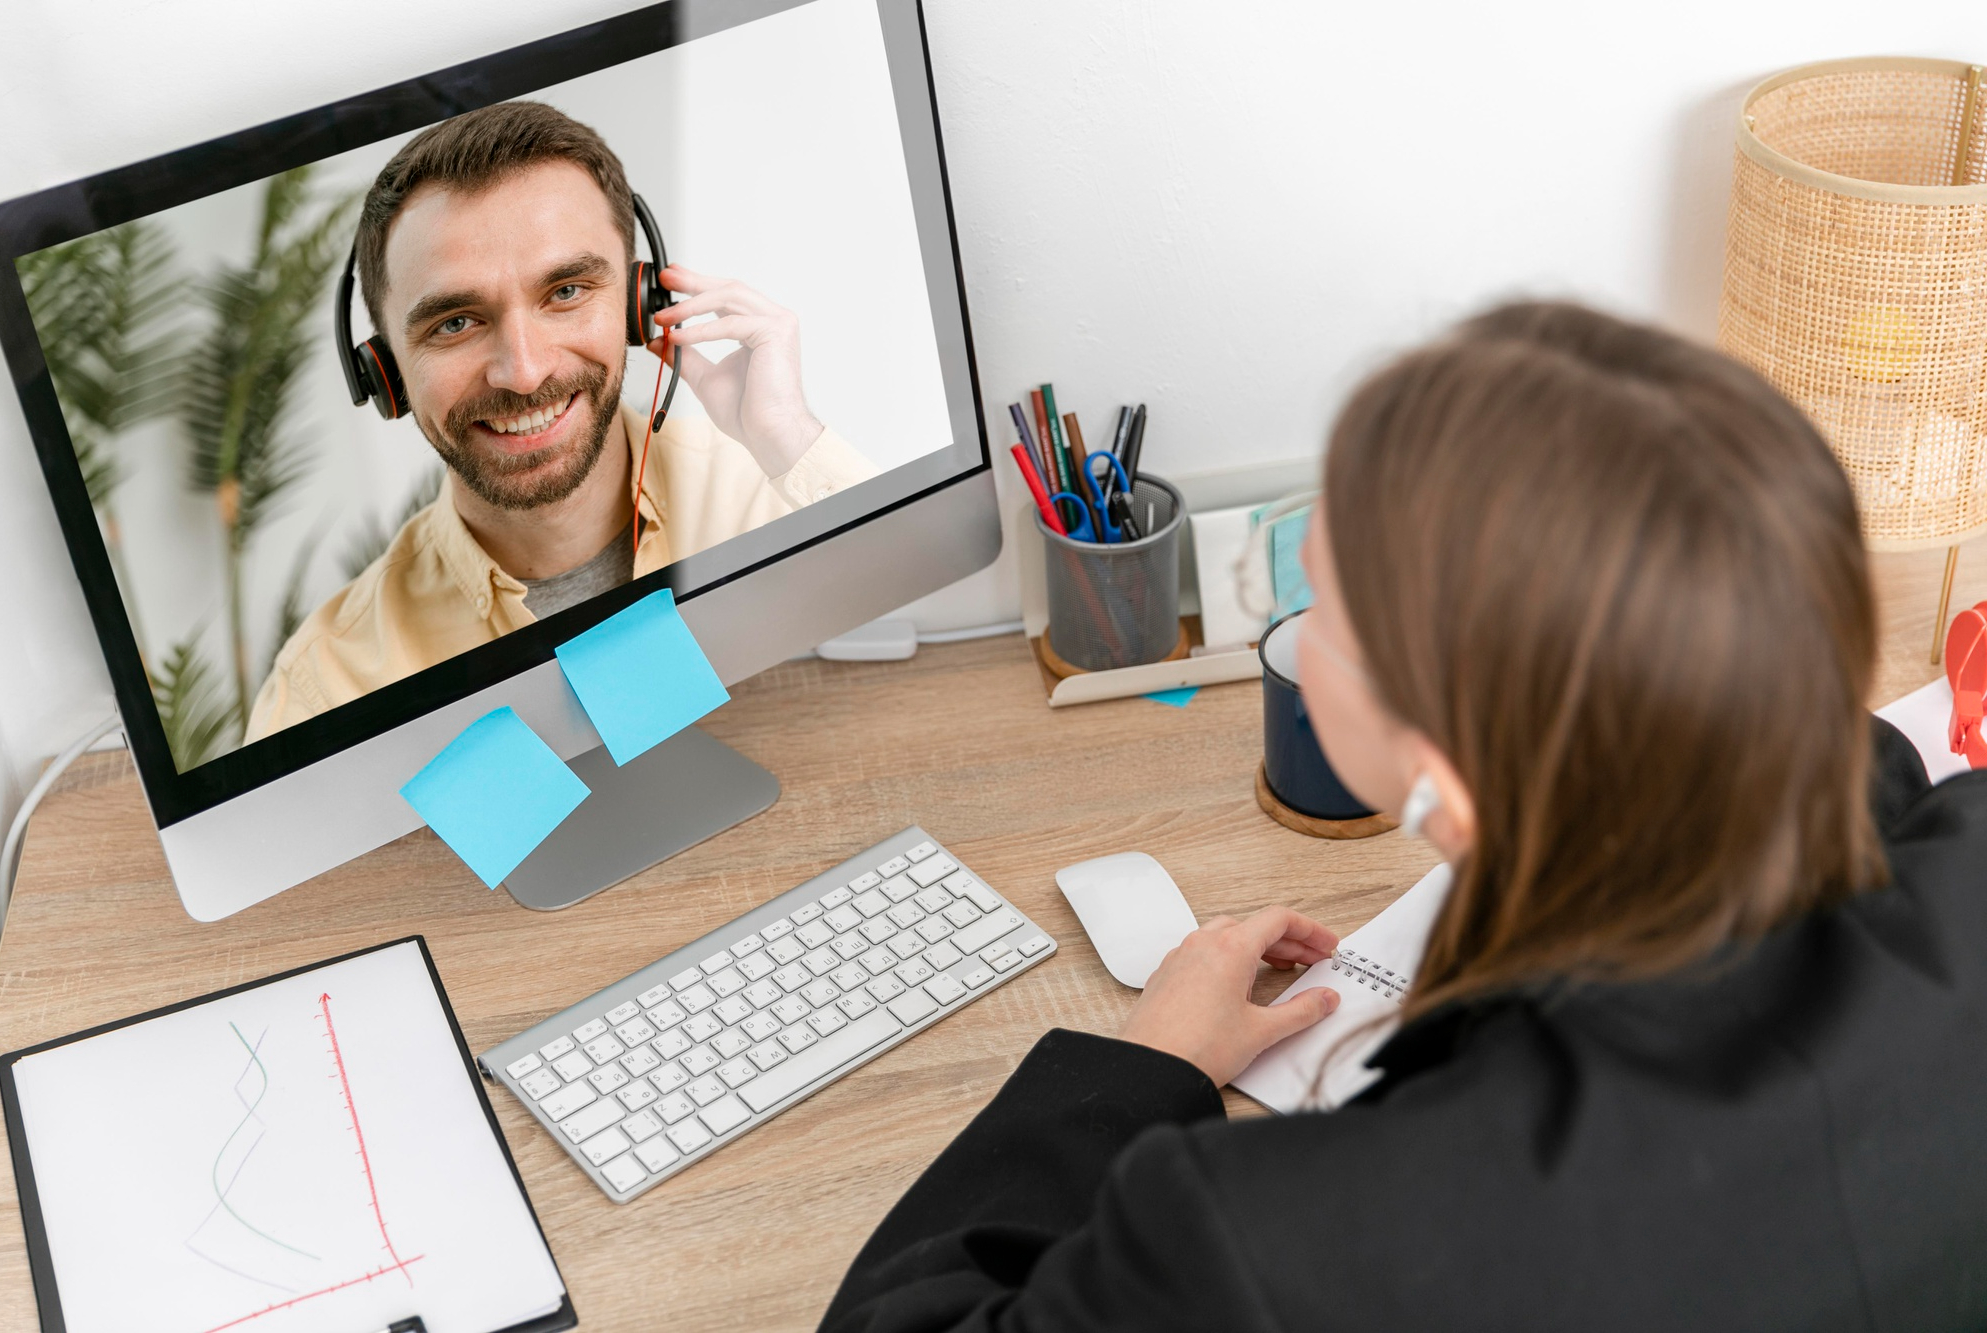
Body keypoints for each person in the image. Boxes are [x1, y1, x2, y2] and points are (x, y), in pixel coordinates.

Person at [820, 303, 1987, 1330]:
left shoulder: (1265, 1244)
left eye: (1325, 604)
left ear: (1454, 777)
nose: (1302, 625)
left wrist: (1134, 1072)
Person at [248, 101, 876, 740]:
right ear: (384, 373)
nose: (523, 372)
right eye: (455, 322)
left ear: (642, 304)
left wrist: (787, 437)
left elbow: (933, 645)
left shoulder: (773, 496)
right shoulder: (329, 682)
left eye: (566, 292)